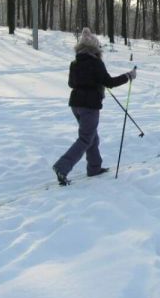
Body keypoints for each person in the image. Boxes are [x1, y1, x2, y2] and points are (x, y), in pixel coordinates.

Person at [52, 28, 136, 185]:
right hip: (89, 105)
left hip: (75, 104)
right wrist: (128, 76)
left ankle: (94, 167)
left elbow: (71, 83)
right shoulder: (96, 63)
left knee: (91, 137)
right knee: (85, 138)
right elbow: (109, 82)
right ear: (95, 49)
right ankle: (62, 167)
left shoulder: (75, 63)